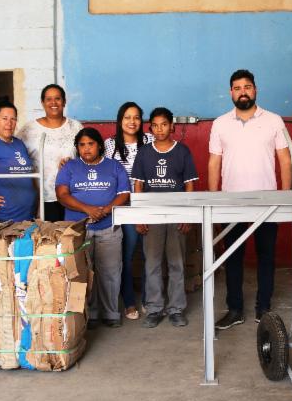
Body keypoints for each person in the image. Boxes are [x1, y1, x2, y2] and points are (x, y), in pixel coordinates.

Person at [208, 69, 292, 329]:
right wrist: (214, 202)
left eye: (247, 87)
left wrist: (286, 198)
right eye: (237, 87)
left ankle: (263, 307)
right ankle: (235, 309)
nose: (242, 91)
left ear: (255, 90)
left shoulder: (274, 120)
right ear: (230, 92)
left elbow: (285, 160)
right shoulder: (220, 123)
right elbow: (214, 163)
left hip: (267, 202)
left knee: (266, 256)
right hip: (231, 203)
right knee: (233, 257)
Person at [55, 128, 131, 328]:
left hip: (109, 228)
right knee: (82, 272)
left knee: (110, 271)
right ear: (77, 148)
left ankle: (111, 312)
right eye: (82, 145)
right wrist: (87, 209)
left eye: (91, 144)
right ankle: (89, 314)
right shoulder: (69, 167)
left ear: (99, 145)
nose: (86, 148)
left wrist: (104, 210)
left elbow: (124, 194)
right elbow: (62, 195)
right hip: (79, 231)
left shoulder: (114, 166)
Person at [132, 107, 199, 328]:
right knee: (152, 263)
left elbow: (190, 184)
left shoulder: (182, 151)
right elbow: (138, 185)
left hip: (177, 214)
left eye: (164, 124)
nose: (160, 129)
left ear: (172, 126)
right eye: (155, 125)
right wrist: (139, 216)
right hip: (152, 215)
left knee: (176, 263)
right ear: (150, 128)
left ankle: (176, 309)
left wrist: (188, 215)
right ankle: (154, 308)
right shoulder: (144, 152)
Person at [104, 102, 154, 321]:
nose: (132, 122)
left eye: (136, 117)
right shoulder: (110, 145)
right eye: (127, 117)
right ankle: (129, 301)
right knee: (126, 254)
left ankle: (148, 299)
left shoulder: (150, 141)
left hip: (149, 204)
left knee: (150, 254)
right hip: (124, 206)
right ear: (119, 120)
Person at [17, 83, 83, 222]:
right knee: (47, 239)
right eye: (48, 99)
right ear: (42, 102)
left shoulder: (76, 127)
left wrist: (74, 164)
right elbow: (13, 154)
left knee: (70, 238)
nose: (53, 102)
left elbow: (87, 158)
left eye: (58, 98)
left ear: (64, 102)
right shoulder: (28, 129)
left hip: (72, 194)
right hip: (41, 197)